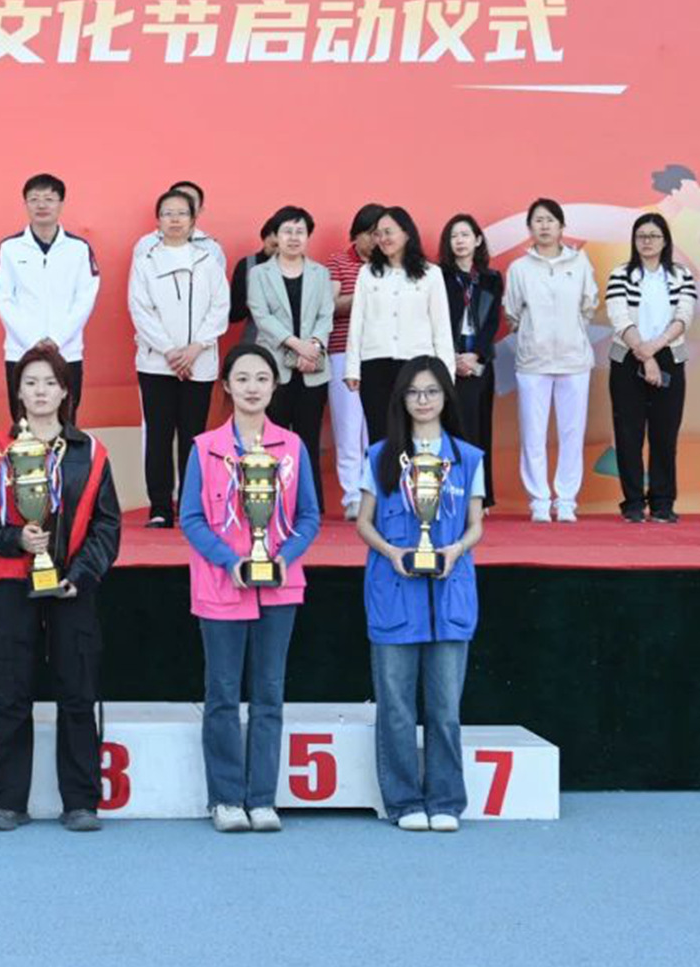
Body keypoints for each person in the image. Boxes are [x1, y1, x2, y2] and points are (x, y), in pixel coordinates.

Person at [0, 342, 120, 832]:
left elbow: (107, 525)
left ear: (66, 391)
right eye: (31, 383)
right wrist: (15, 539)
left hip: (72, 583)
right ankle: (7, 801)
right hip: (12, 579)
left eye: (51, 382)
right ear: (18, 392)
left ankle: (81, 802)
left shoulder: (91, 452)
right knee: (11, 690)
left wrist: (81, 574)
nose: (41, 391)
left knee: (78, 689)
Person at [181, 344, 321, 834]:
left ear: (275, 385)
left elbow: (309, 516)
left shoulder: (293, 447)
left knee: (269, 694)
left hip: (279, 587)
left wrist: (283, 556)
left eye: (262, 378)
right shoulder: (204, 448)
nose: (252, 387)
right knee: (221, 693)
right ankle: (225, 799)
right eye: (242, 378)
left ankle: (261, 798)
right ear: (226, 386)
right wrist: (231, 561)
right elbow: (191, 518)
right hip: (221, 587)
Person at [355, 357, 485, 832]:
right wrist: (390, 551)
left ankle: (446, 801)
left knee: (445, 709)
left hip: (449, 594)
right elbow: (363, 522)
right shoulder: (380, 456)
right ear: (401, 400)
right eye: (414, 392)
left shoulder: (468, 458)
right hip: (394, 593)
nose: (423, 400)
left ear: (446, 397)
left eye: (432, 391)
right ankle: (404, 801)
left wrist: (456, 550)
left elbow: (476, 526)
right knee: (395, 708)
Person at [130, 188, 229, 526]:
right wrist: (170, 351)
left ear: (193, 219)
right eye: (167, 213)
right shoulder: (145, 260)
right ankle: (160, 507)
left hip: (199, 363)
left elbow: (220, 307)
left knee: (193, 435)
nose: (174, 219)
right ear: (158, 220)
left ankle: (190, 505)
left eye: (181, 213)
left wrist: (195, 348)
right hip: (156, 363)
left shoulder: (208, 260)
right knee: (158, 435)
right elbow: (140, 310)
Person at [503, 198, 597, 523]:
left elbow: (588, 304)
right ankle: (539, 501)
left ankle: (567, 500)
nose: (544, 226)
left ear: (561, 226)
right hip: (534, 362)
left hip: (574, 360)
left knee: (572, 433)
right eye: (538, 220)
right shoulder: (520, 268)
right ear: (530, 227)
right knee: (533, 434)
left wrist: (571, 333)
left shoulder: (580, 262)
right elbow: (512, 312)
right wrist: (534, 335)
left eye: (550, 220)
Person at [605, 214, 695, 524]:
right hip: (628, 357)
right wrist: (645, 355)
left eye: (654, 236)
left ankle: (662, 502)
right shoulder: (620, 274)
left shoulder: (681, 275)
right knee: (628, 434)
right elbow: (618, 317)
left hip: (668, 356)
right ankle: (632, 502)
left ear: (665, 240)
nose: (647, 241)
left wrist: (654, 350)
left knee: (664, 434)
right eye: (641, 236)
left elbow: (684, 317)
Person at [249, 207, 334, 510]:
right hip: (274, 367)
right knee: (274, 436)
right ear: (276, 236)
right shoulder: (259, 274)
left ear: (308, 236)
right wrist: (298, 345)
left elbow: (325, 315)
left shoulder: (320, 273)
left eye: (300, 232)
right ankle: (274, 502)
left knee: (309, 438)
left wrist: (314, 346)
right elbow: (262, 316)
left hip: (313, 367)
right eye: (287, 231)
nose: (293, 238)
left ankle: (309, 505)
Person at [0, 173, 101, 414]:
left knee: (66, 419)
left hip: (66, 351)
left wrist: (57, 339)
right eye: (34, 199)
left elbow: (85, 298)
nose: (41, 205)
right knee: (23, 422)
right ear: (25, 204)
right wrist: (33, 340)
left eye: (49, 199)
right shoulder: (9, 248)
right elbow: (4, 299)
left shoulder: (78, 249)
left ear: (61, 204)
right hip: (21, 351)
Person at [345, 206, 453, 443]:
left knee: (417, 434)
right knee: (380, 436)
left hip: (417, 365)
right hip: (375, 364)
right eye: (378, 234)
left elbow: (441, 328)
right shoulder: (367, 273)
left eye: (388, 232)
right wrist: (352, 368)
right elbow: (357, 322)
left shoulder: (431, 274)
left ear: (406, 233)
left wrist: (446, 374)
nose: (383, 239)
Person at [438, 214, 502, 507]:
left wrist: (475, 355)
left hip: (478, 362)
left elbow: (492, 322)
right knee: (452, 429)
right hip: (448, 361)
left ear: (477, 240)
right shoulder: (438, 276)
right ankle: (452, 494)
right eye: (454, 236)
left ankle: (480, 496)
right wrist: (452, 357)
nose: (460, 241)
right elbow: (436, 320)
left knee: (479, 428)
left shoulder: (490, 279)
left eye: (465, 235)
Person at [325, 204, 381, 519]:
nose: (376, 240)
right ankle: (352, 497)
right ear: (356, 234)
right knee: (348, 427)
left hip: (380, 353)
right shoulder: (338, 262)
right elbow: (331, 305)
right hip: (343, 352)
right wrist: (367, 294)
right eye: (370, 233)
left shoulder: (392, 264)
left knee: (378, 427)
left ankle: (376, 494)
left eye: (381, 233)